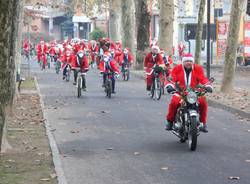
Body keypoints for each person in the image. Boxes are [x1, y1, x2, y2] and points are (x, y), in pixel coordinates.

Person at [164, 53, 213, 133]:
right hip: (180, 91)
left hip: (194, 92)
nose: (188, 63)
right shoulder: (177, 68)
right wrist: (169, 86)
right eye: (186, 61)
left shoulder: (198, 68)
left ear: (192, 62)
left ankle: (202, 123)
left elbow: (203, 79)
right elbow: (172, 78)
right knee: (174, 102)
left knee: (203, 102)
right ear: (183, 62)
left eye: (190, 61)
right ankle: (170, 121)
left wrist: (208, 86)